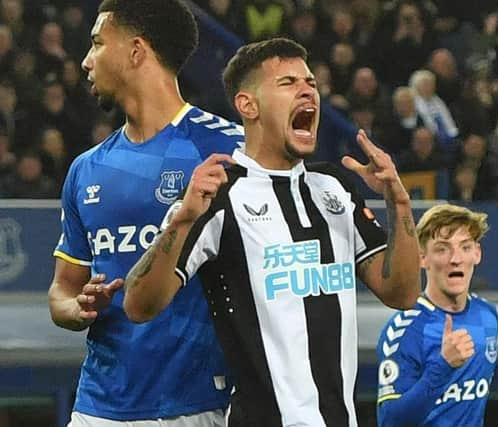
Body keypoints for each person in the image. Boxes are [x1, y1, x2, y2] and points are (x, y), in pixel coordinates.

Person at [123, 37, 420, 427]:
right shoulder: (218, 193)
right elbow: (138, 304)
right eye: (288, 82)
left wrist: (399, 206)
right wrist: (180, 222)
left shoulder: (334, 188)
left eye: (310, 82)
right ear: (248, 105)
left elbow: (402, 293)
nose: (307, 90)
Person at [47, 1, 244, 426]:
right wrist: (77, 307)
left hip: (196, 406)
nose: (85, 61)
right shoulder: (86, 169)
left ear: (136, 50)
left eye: (97, 43)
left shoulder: (232, 151)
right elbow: (61, 293)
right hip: (96, 407)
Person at [376, 204, 498, 427]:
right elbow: (390, 421)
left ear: (477, 254)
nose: (455, 259)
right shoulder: (404, 330)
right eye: (442, 249)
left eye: (465, 247)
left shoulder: (488, 316)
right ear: (422, 258)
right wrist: (442, 365)